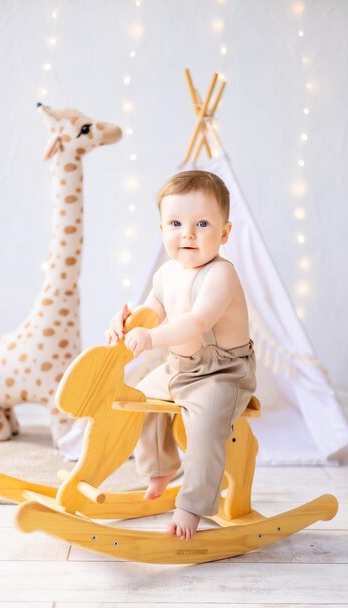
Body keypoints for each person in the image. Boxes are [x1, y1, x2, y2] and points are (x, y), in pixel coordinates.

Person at [106, 170, 256, 541]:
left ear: (224, 233)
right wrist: (124, 322)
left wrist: (151, 337)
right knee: (140, 398)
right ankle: (160, 467)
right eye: (176, 223)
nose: (187, 233)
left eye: (202, 223)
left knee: (205, 430)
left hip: (223, 373)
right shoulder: (166, 273)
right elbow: (151, 312)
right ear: (161, 228)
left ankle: (192, 504)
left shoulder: (221, 274)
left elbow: (196, 321)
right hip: (180, 367)